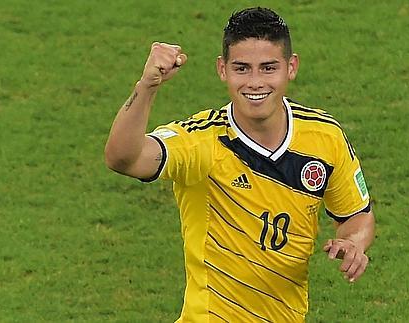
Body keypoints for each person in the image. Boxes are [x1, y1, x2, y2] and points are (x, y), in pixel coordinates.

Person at [105, 7, 375, 322]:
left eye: (268, 67)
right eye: (242, 68)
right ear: (223, 70)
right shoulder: (201, 141)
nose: (255, 82)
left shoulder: (325, 137)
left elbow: (357, 214)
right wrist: (146, 87)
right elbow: (123, 158)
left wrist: (353, 242)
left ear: (291, 67)